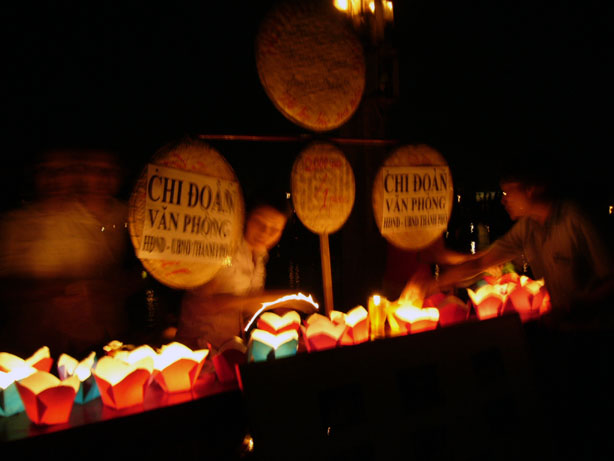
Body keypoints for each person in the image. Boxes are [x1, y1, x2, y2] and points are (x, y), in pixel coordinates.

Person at [401, 167, 614, 323]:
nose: (503, 200)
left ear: (531, 189)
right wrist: (433, 285)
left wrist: (573, 308)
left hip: (594, 332)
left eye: (507, 193)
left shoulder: (576, 219)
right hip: (560, 328)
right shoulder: (526, 228)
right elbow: (480, 263)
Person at [175, 191, 315, 352]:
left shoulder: (260, 256)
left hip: (228, 348)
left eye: (275, 229)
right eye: (260, 222)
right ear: (246, 218)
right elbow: (205, 304)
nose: (265, 232)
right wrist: (282, 299)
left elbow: (250, 304)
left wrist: (283, 315)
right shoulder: (221, 250)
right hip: (196, 347)